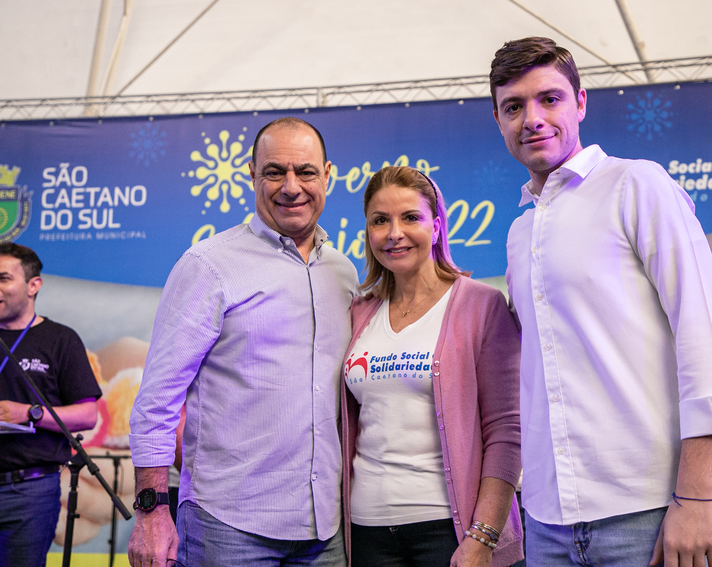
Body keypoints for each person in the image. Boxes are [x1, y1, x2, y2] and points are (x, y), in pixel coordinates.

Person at [489, 37, 712, 567]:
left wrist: (697, 496)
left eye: (550, 99)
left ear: (581, 103)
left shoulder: (637, 185)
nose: (532, 118)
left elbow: (705, 341)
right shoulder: (520, 232)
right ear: (498, 119)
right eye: (513, 106)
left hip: (650, 512)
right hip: (548, 524)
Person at [128, 117, 359, 567]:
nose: (291, 186)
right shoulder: (207, 266)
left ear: (328, 175)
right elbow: (157, 399)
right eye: (274, 172)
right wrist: (151, 512)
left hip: (325, 529)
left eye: (306, 172)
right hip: (228, 526)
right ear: (251, 173)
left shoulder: (344, 273)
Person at [341, 165, 523, 567]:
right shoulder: (358, 313)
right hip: (367, 531)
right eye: (380, 221)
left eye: (410, 217)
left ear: (437, 226)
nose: (394, 233)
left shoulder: (481, 305)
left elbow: (508, 432)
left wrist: (484, 536)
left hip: (451, 532)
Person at [0, 243, 101, 567]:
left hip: (27, 491)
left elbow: (87, 415)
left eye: (3, 278)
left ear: (33, 285)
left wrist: (29, 413)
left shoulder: (60, 339)